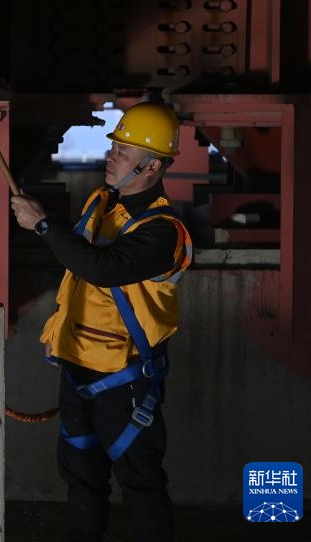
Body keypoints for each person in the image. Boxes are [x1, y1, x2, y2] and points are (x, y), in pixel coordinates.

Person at [10, 101, 193, 542]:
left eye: (123, 152)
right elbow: (76, 271)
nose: (111, 156)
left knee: (140, 483)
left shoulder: (163, 231)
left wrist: (43, 226)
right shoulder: (101, 203)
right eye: (114, 147)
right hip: (77, 369)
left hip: (124, 379)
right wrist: (59, 329)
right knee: (81, 478)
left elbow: (103, 269)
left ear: (152, 166)